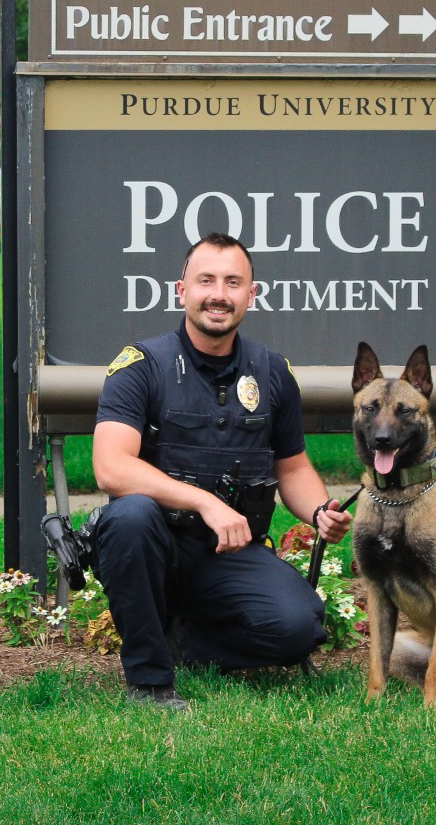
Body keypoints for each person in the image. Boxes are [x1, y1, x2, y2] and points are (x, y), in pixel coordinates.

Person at [91, 233, 354, 711]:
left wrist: (318, 511)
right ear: (181, 290)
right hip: (156, 549)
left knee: (299, 629)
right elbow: (111, 468)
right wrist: (204, 501)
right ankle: (149, 681)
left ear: (251, 295)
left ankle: (185, 644)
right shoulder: (139, 367)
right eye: (206, 280)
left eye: (234, 282)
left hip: (229, 554)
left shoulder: (273, 373)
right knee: (129, 518)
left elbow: (291, 465)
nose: (219, 293)